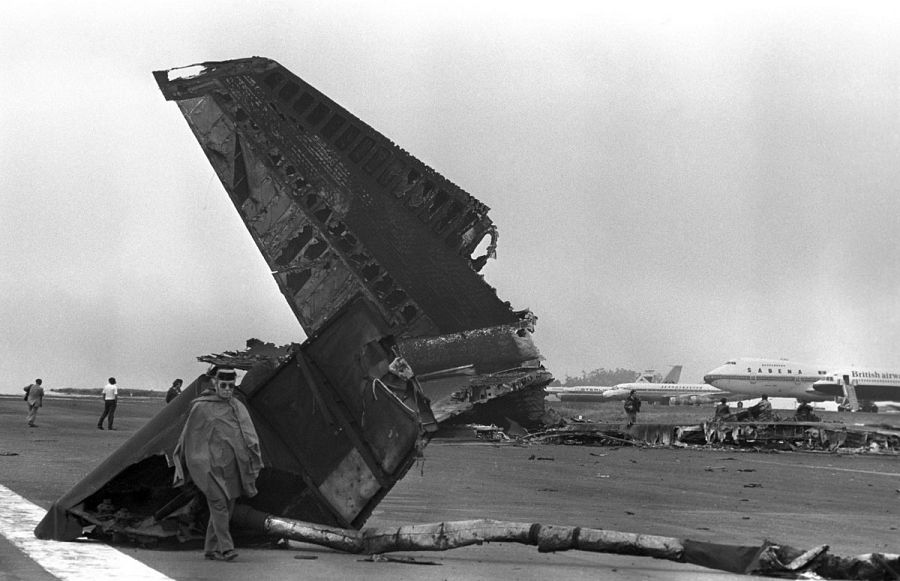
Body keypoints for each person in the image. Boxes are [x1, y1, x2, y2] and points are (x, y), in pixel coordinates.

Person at [173, 366, 263, 562]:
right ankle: (226, 548)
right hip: (209, 471)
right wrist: (197, 464)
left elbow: (249, 435)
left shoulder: (237, 406)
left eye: (231, 386)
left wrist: (250, 458)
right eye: (224, 385)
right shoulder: (201, 407)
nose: (228, 390)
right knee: (220, 506)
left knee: (226, 509)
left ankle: (210, 549)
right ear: (215, 384)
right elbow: (189, 439)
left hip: (232, 470)